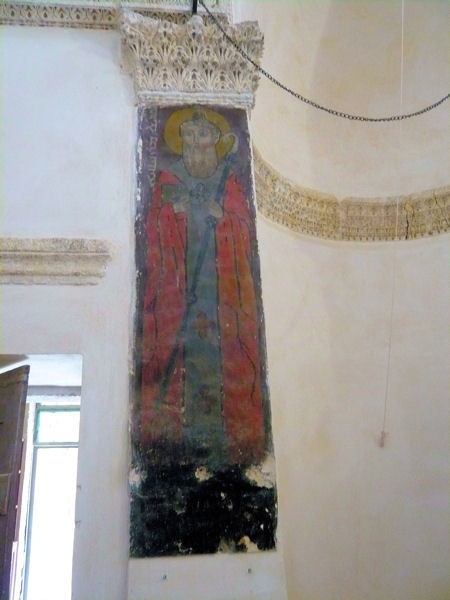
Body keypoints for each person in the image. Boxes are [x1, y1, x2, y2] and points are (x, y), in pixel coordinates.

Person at [139, 107, 266, 467]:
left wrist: (223, 218)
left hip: (220, 297)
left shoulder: (229, 182)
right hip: (179, 293)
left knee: (224, 360)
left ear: (216, 139)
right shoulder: (169, 179)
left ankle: (230, 447)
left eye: (203, 134)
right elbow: (154, 228)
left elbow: (243, 227)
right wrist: (174, 213)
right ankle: (170, 446)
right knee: (176, 357)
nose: (196, 142)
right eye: (189, 135)